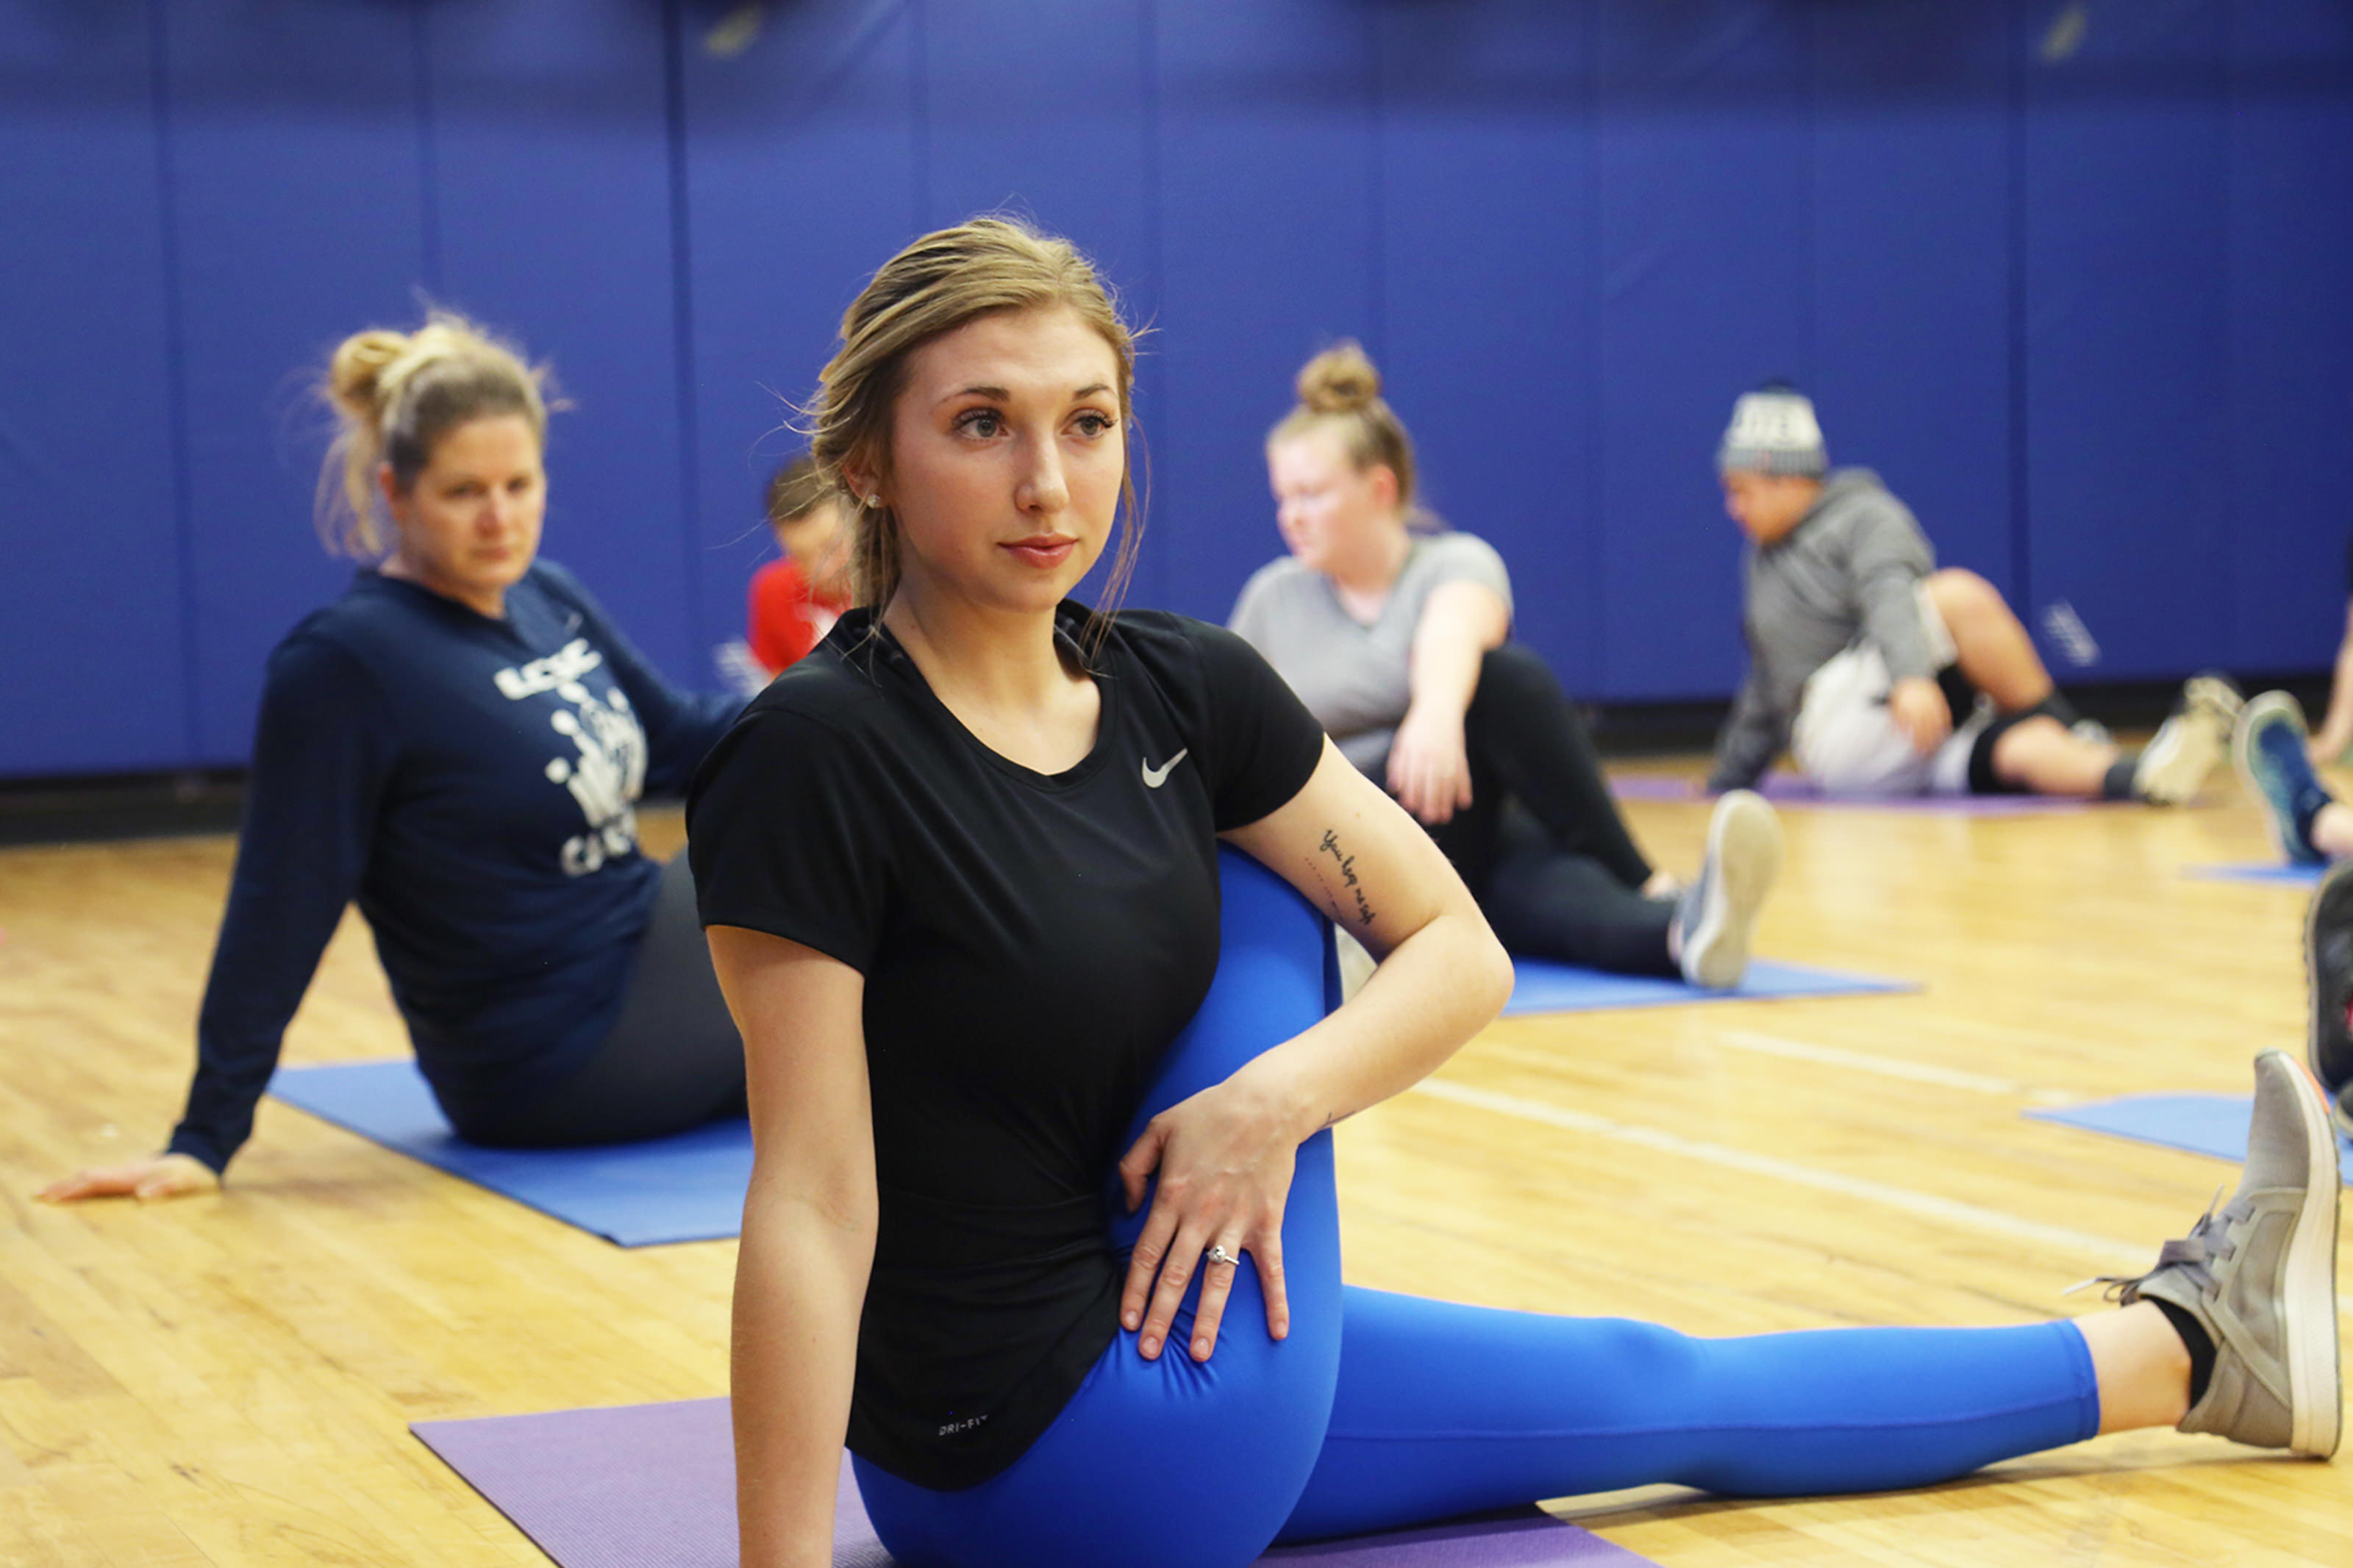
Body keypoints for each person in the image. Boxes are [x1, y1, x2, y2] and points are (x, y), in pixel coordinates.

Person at [685, 218, 2342, 1568]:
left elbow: (1457, 950)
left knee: (1649, 1380)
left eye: (1088, 422)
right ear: (870, 461)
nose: (1050, 483)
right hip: (1053, 1461)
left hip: (1150, 1349)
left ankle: (2198, 1350)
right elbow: (812, 1202)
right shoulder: (813, 752)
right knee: (1267, 878)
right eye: (983, 425)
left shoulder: (1177, 681)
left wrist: (1271, 1104)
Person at [41, 312, 746, 1205]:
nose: (499, 518)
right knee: (797, 853)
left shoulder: (544, 594)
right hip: (553, 1054)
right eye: (463, 492)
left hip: (642, 956)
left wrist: (850, 695)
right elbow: (280, 904)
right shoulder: (345, 664)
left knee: (812, 827)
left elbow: (680, 734)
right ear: (395, 492)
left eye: (519, 484)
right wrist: (204, 1137)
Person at [1232, 343, 1780, 990]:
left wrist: (1435, 714)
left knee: (1504, 701)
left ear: (1380, 488)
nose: (1291, 516)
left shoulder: (1455, 560)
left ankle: (1682, 926)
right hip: (1353, 836)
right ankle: (1659, 895)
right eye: (1283, 497)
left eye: (1311, 494)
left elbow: (1456, 628)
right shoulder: (1272, 598)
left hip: (1458, 807)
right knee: (1500, 864)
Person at [1708, 384, 2240, 803]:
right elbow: (1766, 681)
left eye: (1740, 491)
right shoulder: (1761, 558)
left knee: (2020, 749)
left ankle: (2137, 775)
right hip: (1847, 729)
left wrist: (1911, 678)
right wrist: (1729, 777)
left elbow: (1888, 592)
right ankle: (2080, 730)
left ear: (1783, 477)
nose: (1733, 509)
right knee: (1957, 595)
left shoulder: (1863, 517)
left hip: (1897, 739)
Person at [746, 452, 854, 677]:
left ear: (859, 524)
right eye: (801, 557)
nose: (821, 572)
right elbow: (777, 690)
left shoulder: (899, 589)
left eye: (832, 548)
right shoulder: (773, 590)